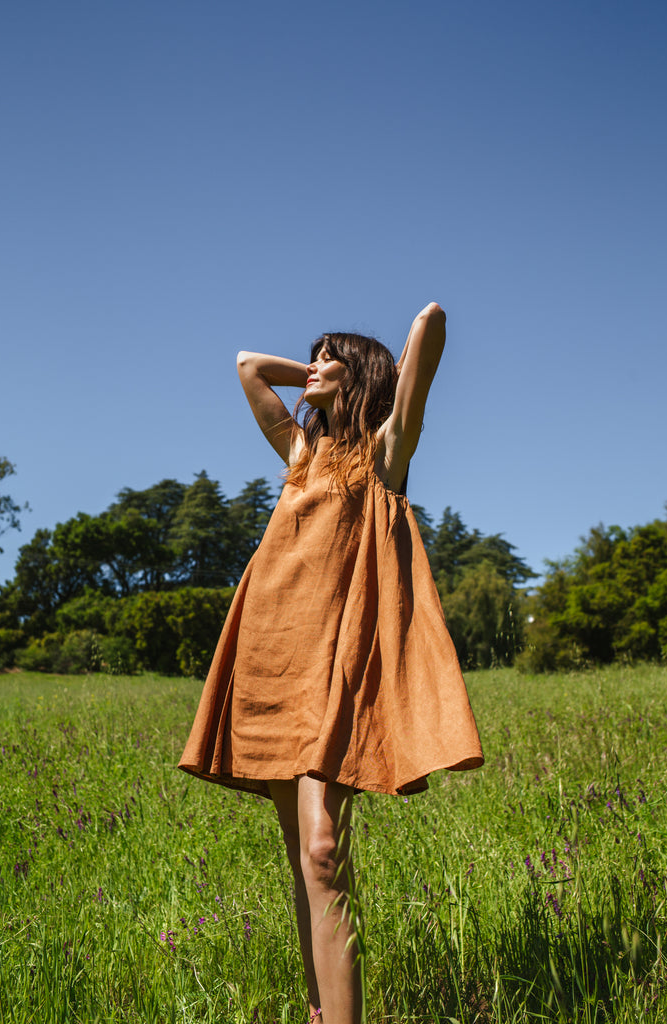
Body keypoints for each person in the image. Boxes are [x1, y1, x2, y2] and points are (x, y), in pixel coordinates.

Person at [178, 301, 484, 1024]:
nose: (308, 367)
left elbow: (430, 324)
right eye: (308, 358)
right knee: (303, 862)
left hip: (337, 671)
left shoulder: (385, 453)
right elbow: (249, 366)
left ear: (362, 374)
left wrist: (374, 370)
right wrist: (321, 371)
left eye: (324, 358)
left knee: (322, 851)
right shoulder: (299, 455)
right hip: (272, 656)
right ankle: (320, 1011)